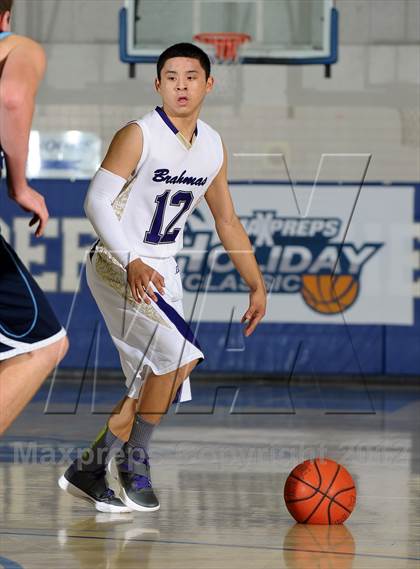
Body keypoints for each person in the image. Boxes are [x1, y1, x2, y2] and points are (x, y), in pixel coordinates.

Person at [59, 42, 267, 513]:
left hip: (164, 271)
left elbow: (227, 221)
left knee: (159, 379)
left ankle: (91, 467)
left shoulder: (212, 145)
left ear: (208, 84)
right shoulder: (138, 134)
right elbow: (96, 201)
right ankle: (135, 459)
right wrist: (131, 258)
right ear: (157, 84)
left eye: (191, 77)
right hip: (119, 261)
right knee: (179, 355)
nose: (181, 85)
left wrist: (256, 283)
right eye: (170, 76)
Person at [0, 0, 69, 435]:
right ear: (5, 17)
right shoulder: (17, 45)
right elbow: (11, 97)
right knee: (43, 346)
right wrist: (19, 184)